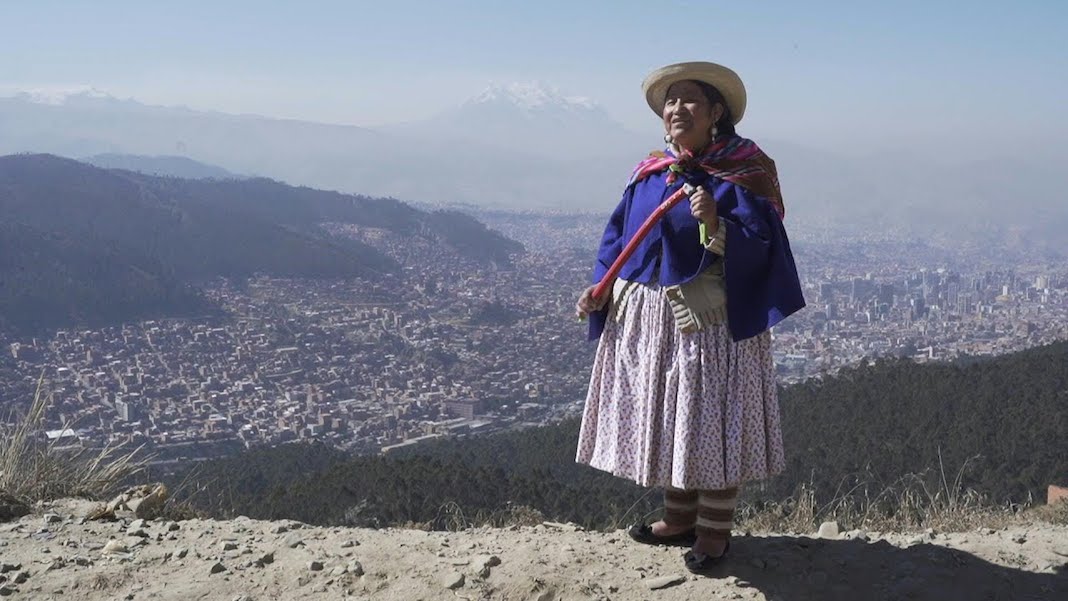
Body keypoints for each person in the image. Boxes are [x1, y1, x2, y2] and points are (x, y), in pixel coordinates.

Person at [574, 61, 804, 574]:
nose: (677, 109)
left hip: (712, 321)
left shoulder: (745, 172)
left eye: (690, 100)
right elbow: (620, 238)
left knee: (708, 421)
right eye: (670, 102)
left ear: (716, 112)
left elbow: (766, 246)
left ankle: (714, 532)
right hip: (651, 319)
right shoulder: (651, 172)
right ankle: (678, 518)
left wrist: (716, 224)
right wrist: (601, 289)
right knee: (673, 417)